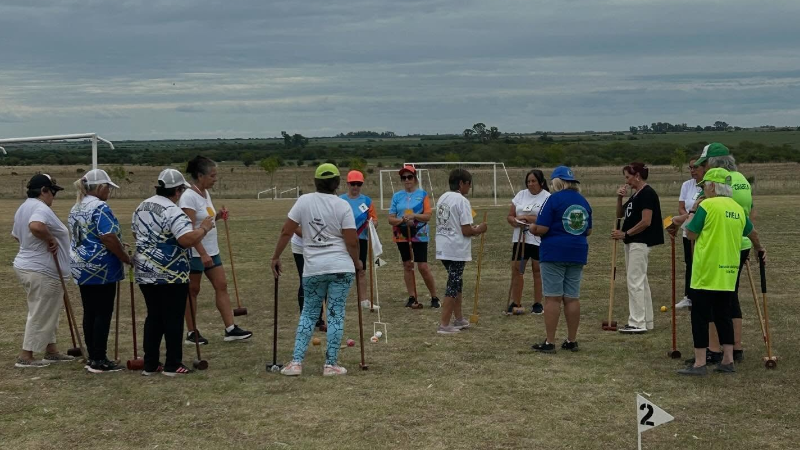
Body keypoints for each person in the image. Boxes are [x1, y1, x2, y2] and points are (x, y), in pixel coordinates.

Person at [674, 143, 766, 363]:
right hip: (738, 242)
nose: (702, 168)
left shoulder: (715, 192)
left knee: (712, 300)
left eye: (704, 164)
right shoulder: (742, 180)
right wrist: (756, 245)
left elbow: (696, 227)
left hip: (718, 247)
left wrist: (685, 218)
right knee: (729, 299)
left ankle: (712, 351)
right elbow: (750, 212)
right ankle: (735, 349)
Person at [270, 164, 362, 376]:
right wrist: (356, 262)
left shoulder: (303, 201)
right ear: (338, 183)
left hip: (313, 268)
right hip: (340, 267)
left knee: (309, 314)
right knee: (335, 314)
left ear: (315, 182)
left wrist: (275, 256)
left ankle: (296, 363)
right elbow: (352, 241)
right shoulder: (342, 206)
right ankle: (331, 365)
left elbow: (286, 231)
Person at [132, 169, 214, 376]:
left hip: (144, 271)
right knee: (173, 317)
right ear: (177, 190)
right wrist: (203, 228)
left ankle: (150, 364)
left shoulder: (141, 206)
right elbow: (185, 240)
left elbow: (135, 231)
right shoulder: (174, 211)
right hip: (171, 274)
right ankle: (172, 364)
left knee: (154, 316)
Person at [179, 156, 252, 345]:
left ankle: (230, 329)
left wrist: (218, 216)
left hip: (212, 250)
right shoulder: (188, 197)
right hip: (195, 252)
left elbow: (206, 222)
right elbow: (188, 230)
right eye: (212, 175)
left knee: (221, 285)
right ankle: (191, 332)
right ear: (200, 175)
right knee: (193, 290)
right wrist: (202, 253)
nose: (215, 179)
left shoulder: (205, 193)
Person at [69, 169, 130, 373]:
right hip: (102, 267)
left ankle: (93, 355)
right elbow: (108, 237)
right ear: (101, 187)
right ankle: (99, 359)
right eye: (108, 188)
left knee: (90, 311)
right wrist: (124, 257)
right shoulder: (100, 207)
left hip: (81, 266)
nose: (109, 192)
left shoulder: (76, 206)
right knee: (103, 313)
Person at [12, 174, 74, 368]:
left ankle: (51, 350)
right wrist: (50, 239)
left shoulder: (24, 207)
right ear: (43, 191)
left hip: (29, 266)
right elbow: (36, 227)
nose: (53, 197)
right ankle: (26, 355)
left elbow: (17, 235)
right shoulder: (40, 208)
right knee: (41, 312)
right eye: (52, 192)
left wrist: (36, 245)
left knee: (47, 310)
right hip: (42, 270)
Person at [529, 166, 592, 353]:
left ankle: (550, 342)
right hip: (577, 252)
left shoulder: (553, 199)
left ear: (557, 182)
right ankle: (572, 340)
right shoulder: (583, 201)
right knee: (572, 298)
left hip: (554, 253)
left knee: (553, 298)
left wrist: (532, 228)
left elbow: (542, 228)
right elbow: (588, 230)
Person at [612, 162, 664, 334]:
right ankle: (647, 320)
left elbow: (646, 221)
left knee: (634, 281)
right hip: (633, 242)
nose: (626, 181)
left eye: (628, 177)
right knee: (641, 281)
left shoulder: (647, 193)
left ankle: (637, 322)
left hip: (640, 242)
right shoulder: (635, 196)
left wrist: (626, 234)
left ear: (637, 176)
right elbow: (620, 215)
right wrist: (620, 198)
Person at [434, 169, 488, 334]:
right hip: (455, 248)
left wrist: (472, 229)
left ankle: (458, 319)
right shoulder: (462, 201)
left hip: (443, 247)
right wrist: (479, 229)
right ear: (461, 183)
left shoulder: (443, 197)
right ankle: (444, 324)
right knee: (453, 284)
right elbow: (465, 230)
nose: (469, 187)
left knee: (457, 282)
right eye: (468, 184)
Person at [388, 165, 440, 309]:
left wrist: (414, 216)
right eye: (404, 178)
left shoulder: (423, 194)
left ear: (415, 178)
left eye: (409, 177)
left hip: (419, 233)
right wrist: (402, 220)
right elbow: (390, 218)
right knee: (407, 265)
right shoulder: (397, 196)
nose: (407, 180)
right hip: (401, 233)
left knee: (422, 265)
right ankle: (412, 296)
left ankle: (434, 297)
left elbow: (428, 216)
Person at [506, 169, 550, 314]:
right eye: (528, 181)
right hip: (520, 238)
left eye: (533, 181)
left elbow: (547, 219)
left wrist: (528, 218)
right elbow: (511, 216)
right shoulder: (521, 195)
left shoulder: (547, 197)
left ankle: (538, 303)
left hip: (538, 239)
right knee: (518, 270)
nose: (530, 184)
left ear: (541, 182)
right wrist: (515, 221)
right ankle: (516, 302)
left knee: (537, 271)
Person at [340, 170, 379, 310]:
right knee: (342, 271)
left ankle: (364, 300)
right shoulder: (340, 200)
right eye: (353, 184)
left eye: (358, 184)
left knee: (361, 269)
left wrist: (372, 224)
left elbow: (374, 220)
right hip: (343, 241)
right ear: (348, 184)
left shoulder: (367, 201)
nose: (355, 187)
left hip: (361, 240)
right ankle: (339, 299)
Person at [675, 158, 704, 309]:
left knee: (701, 263)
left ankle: (701, 295)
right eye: (690, 168)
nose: (692, 170)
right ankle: (689, 296)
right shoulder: (686, 185)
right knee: (690, 263)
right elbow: (681, 208)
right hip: (688, 229)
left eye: (695, 167)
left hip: (704, 232)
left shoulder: (708, 186)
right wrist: (690, 219)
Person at [291, 229, 327, 332]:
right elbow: (296, 228)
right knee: (306, 280)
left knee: (321, 280)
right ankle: (305, 317)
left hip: (321, 247)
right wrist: (313, 237)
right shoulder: (299, 211)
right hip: (301, 247)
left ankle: (318, 318)